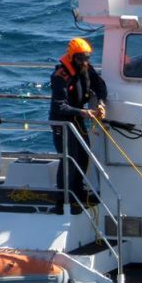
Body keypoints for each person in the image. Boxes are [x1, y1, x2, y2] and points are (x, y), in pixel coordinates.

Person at [49, 37, 107, 213]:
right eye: (80, 58)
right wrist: (83, 112)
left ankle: (78, 192)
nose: (84, 62)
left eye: (87, 57)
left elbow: (100, 85)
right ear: (72, 57)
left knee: (83, 155)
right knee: (69, 159)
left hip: (78, 118)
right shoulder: (61, 75)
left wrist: (101, 103)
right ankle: (62, 201)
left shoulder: (86, 68)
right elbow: (59, 105)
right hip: (63, 121)